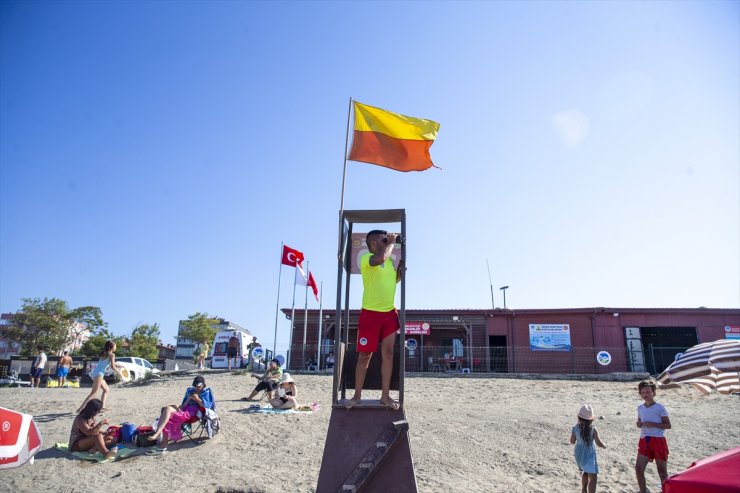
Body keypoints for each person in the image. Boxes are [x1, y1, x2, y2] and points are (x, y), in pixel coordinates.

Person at [346, 230, 404, 410]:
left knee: (388, 354)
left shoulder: (390, 261)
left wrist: (401, 272)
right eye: (383, 237)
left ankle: (385, 396)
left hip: (389, 313)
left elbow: (392, 282)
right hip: (370, 313)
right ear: (373, 241)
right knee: (365, 355)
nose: (387, 238)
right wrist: (392, 243)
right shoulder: (367, 258)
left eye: (387, 237)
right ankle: (356, 396)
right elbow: (380, 259)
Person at [147, 375, 215, 454]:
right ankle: (158, 434)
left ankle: (163, 442)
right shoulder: (190, 391)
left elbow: (206, 408)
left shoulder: (206, 393)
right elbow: (183, 405)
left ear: (203, 385)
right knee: (166, 409)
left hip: (193, 413)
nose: (196, 388)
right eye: (195, 386)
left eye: (198, 386)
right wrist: (189, 399)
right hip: (185, 409)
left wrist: (198, 399)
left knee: (168, 417)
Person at [635, 380, 671, 493]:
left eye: (648, 392)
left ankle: (665, 491)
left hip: (658, 441)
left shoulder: (660, 408)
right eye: (643, 392)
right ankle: (643, 491)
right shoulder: (640, 408)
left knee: (662, 472)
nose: (645, 394)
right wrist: (638, 424)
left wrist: (654, 424)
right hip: (644, 440)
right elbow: (640, 421)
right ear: (640, 394)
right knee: (638, 469)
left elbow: (668, 425)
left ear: (654, 393)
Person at [76, 340, 124, 413]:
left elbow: (110, 363)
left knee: (106, 389)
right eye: (115, 346)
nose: (116, 347)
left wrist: (120, 365)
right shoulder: (112, 355)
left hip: (95, 373)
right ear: (111, 347)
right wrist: (119, 373)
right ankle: (80, 409)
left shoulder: (104, 353)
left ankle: (102, 407)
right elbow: (112, 366)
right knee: (93, 393)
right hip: (99, 374)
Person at [570, 404, 607, 493]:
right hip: (589, 456)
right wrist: (604, 445)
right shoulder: (593, 429)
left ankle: (583, 489)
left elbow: (572, 441)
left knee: (585, 472)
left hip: (579, 455)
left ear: (579, 417)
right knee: (593, 478)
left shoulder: (575, 428)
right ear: (592, 419)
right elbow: (598, 443)